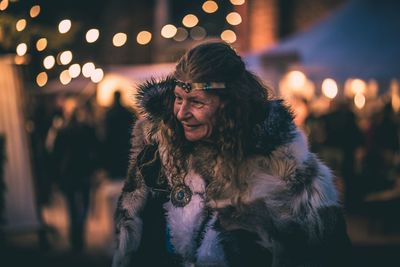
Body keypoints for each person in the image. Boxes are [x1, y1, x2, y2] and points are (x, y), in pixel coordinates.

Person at [112, 42, 351, 267]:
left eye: (197, 102)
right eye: (178, 99)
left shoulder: (287, 173)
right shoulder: (157, 157)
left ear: (230, 106)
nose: (182, 113)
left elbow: (328, 255)